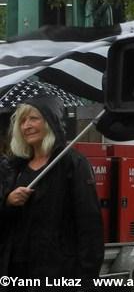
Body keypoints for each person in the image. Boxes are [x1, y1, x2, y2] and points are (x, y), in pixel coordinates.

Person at [0, 95, 103, 284]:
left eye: (34, 118)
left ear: (51, 121)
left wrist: (86, 281)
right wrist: (7, 202)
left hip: (57, 274)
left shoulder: (73, 164)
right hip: (15, 274)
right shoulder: (13, 168)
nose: (26, 126)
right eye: (22, 120)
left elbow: (90, 227)